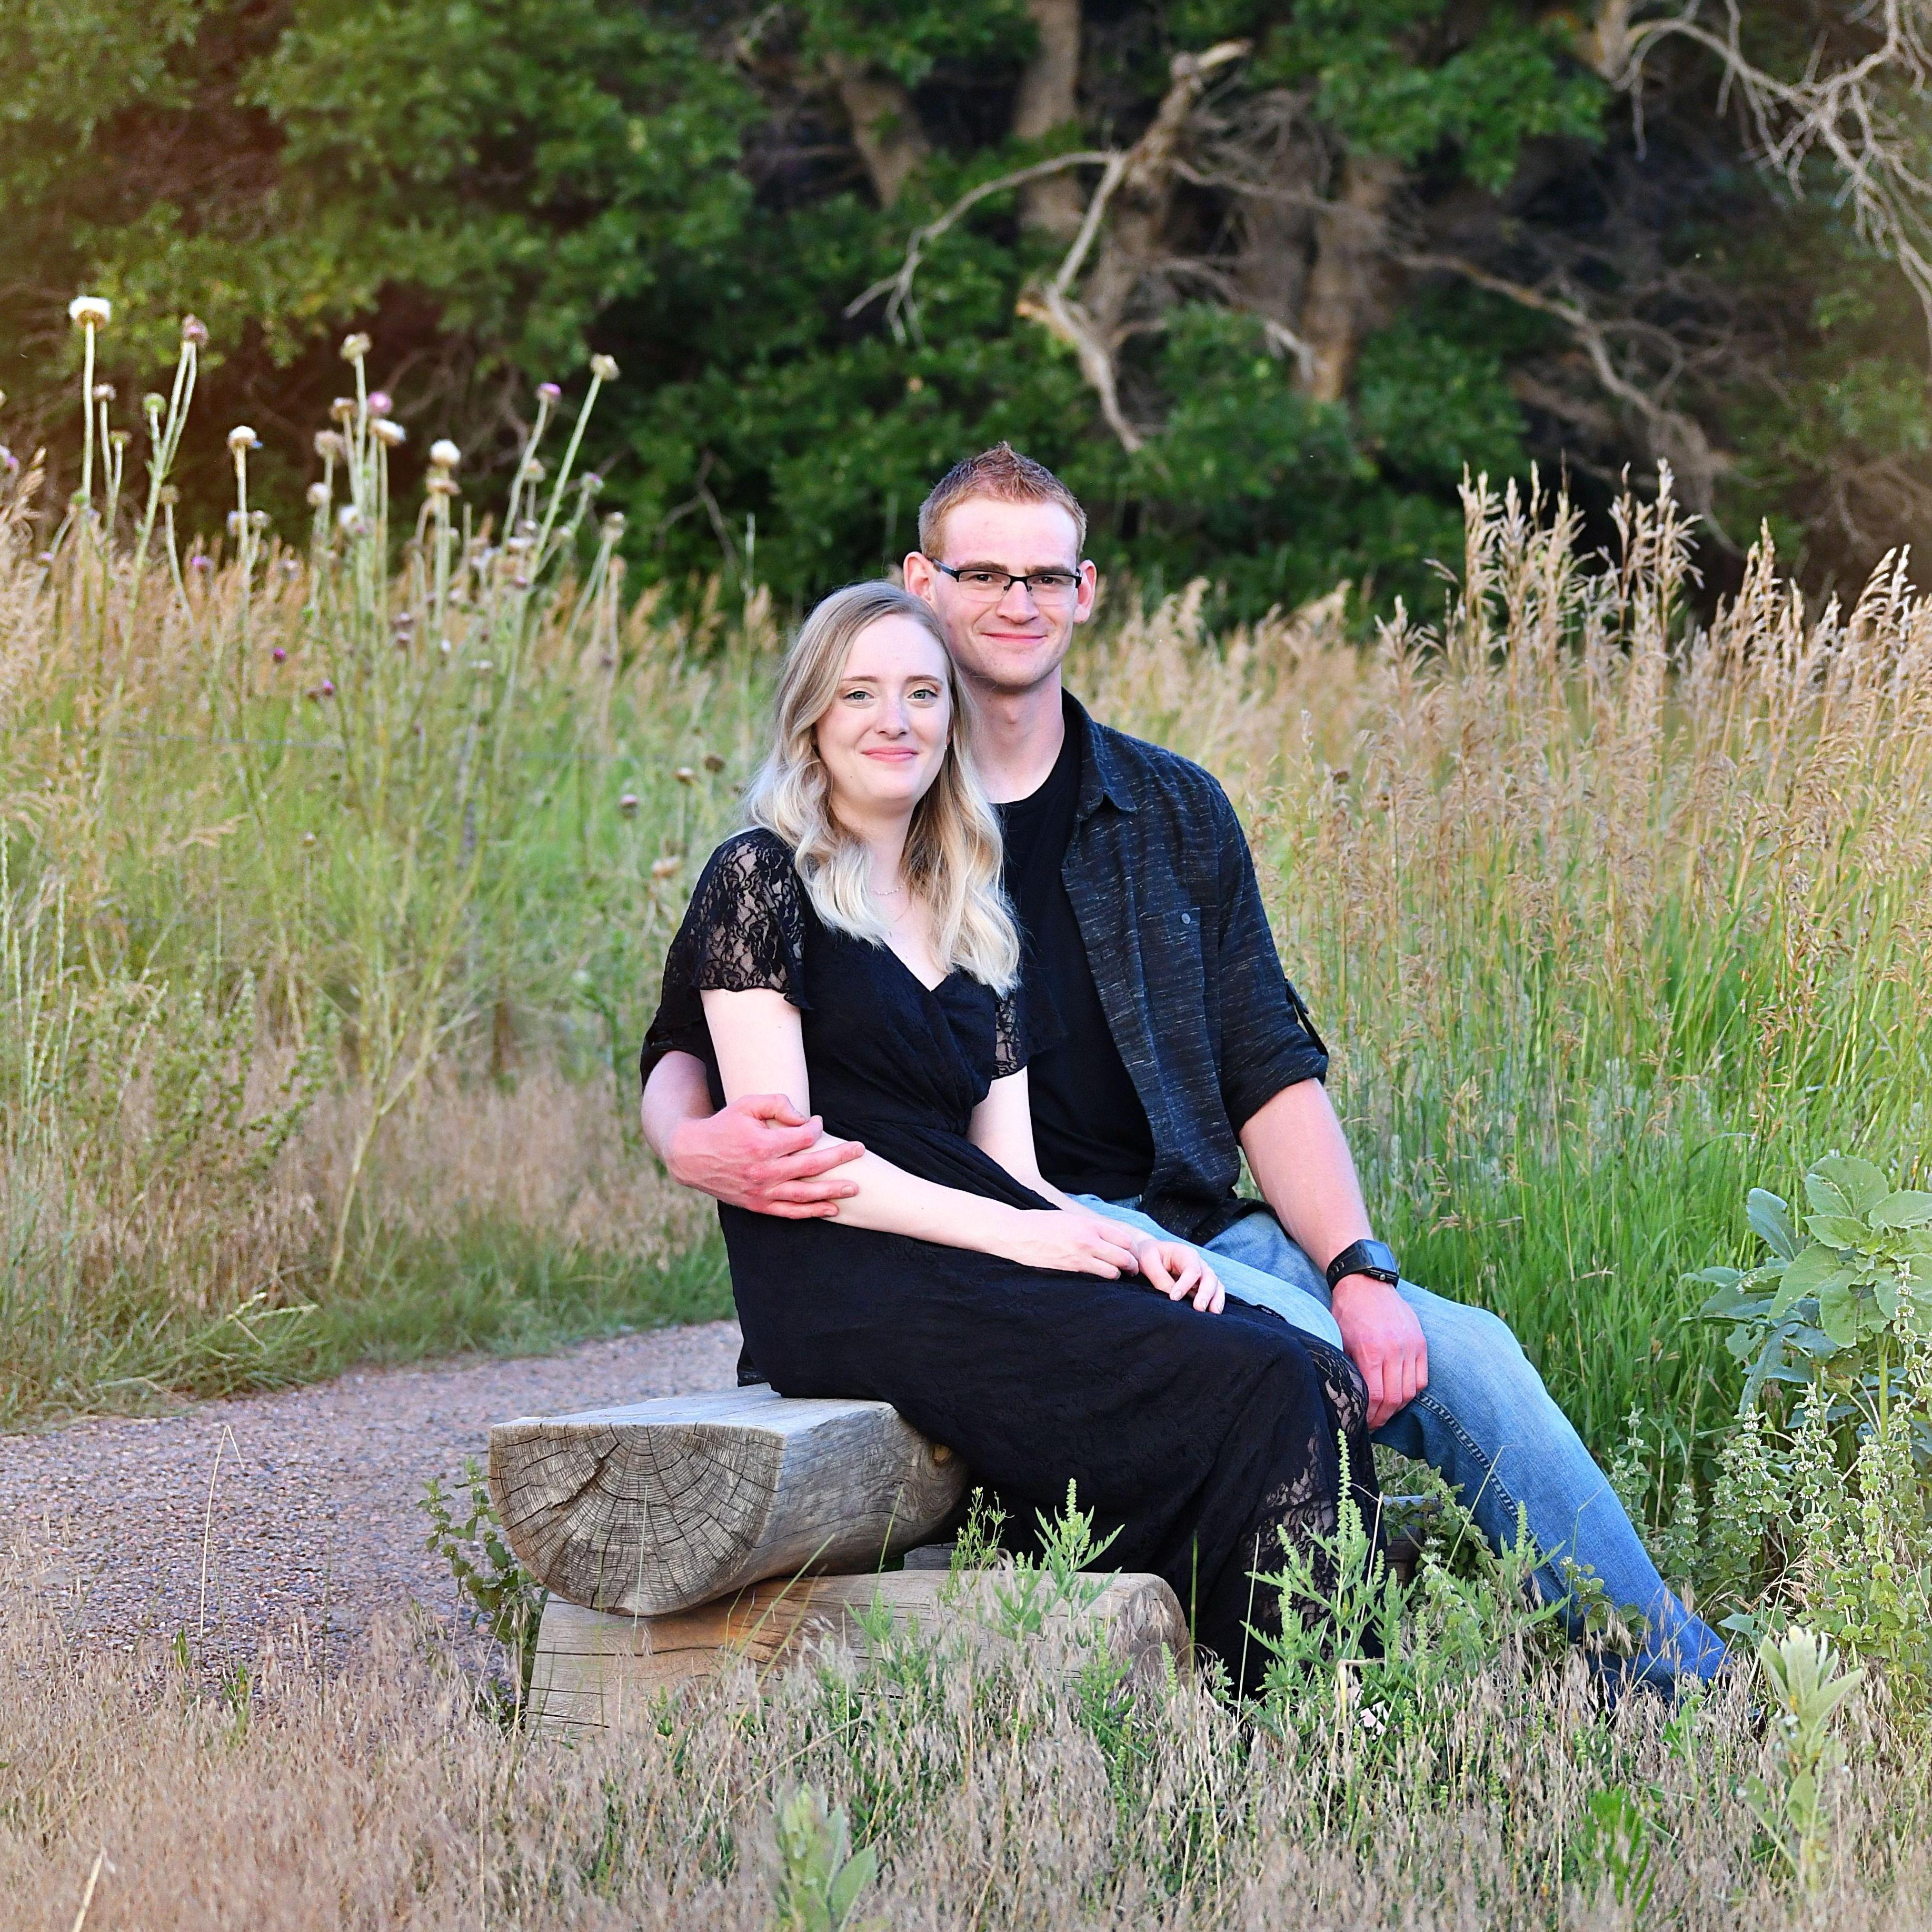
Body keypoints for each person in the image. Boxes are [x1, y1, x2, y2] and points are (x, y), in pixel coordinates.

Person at [644, 448, 1729, 1694]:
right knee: (1287, 1365)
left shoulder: (1155, 815)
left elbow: (1266, 1062)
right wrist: (683, 1137)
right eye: (981, 573)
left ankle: (1672, 1675)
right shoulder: (829, 834)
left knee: (1465, 1353)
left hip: (1168, 1210)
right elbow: (695, 1034)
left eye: (1043, 575)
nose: (1014, 601)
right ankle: (1327, 1690)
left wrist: (1356, 1263)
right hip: (1001, 1231)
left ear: (1086, 590)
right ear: (919, 583)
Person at [640, 579, 1379, 1691]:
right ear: (811, 717)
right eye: (859, 694)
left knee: (1304, 1363)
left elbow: (1016, 1171)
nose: (894, 719)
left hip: (972, 1252)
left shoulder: (971, 907)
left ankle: (1311, 1706)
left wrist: (1123, 1243)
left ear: (950, 720)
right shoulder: (761, 879)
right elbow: (800, 1166)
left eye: (920, 694)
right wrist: (1027, 1236)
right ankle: (1302, 1707)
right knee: (1260, 1383)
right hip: (845, 1272)